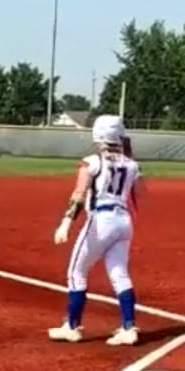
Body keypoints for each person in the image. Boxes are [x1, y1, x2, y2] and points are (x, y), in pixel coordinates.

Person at [48, 114, 144, 346]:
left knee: (76, 272)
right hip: (123, 221)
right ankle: (128, 327)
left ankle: (72, 326)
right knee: (119, 274)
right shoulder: (132, 164)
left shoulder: (92, 161)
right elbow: (139, 192)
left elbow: (79, 194)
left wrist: (66, 223)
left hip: (101, 220)